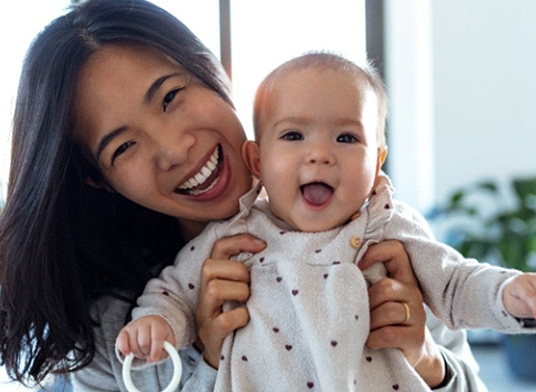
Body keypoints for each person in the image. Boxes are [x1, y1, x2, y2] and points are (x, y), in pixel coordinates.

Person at [0, 0, 485, 391]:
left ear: (211, 71)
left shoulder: (378, 231)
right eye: (124, 146)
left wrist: (425, 361)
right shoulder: (109, 336)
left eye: (171, 96)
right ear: (98, 179)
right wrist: (208, 365)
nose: (175, 149)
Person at [117, 52, 536, 391]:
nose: (319, 154)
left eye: (347, 138)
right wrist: (157, 324)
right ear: (257, 160)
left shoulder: (388, 229)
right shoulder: (232, 239)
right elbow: (173, 292)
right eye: (294, 136)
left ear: (377, 165)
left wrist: (508, 292)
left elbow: (456, 282)